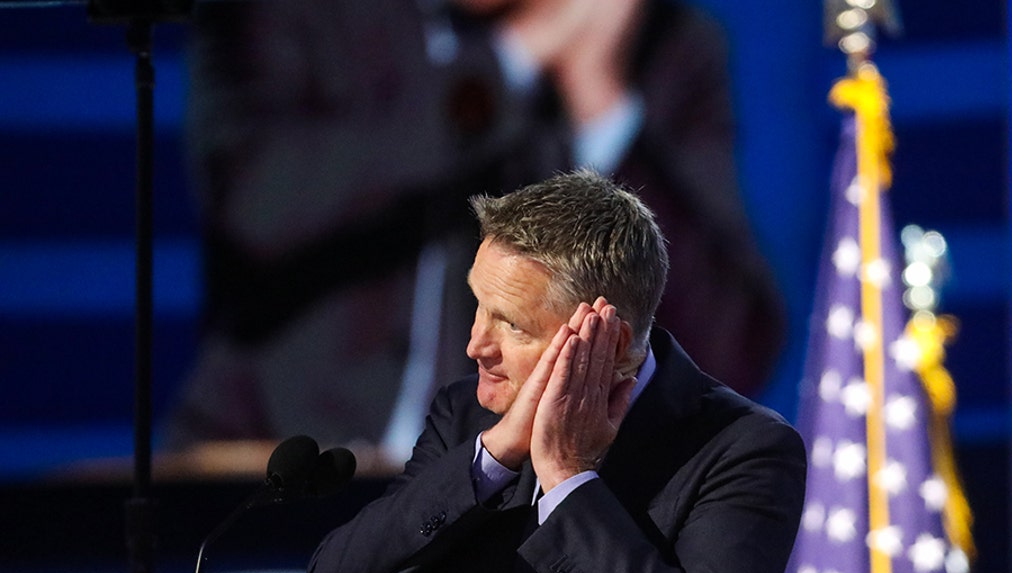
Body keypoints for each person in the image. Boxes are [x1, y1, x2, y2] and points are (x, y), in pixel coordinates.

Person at [303, 171, 806, 573]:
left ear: (605, 340)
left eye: (511, 324)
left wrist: (568, 479)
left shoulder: (741, 449)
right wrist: (490, 460)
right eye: (477, 305)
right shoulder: (468, 419)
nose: (475, 345)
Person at [168, 0, 784, 457]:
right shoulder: (289, 14)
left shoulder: (662, 49)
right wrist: (506, 66)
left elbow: (727, 348)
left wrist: (602, 107)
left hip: (524, 501)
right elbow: (256, 207)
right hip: (276, 469)